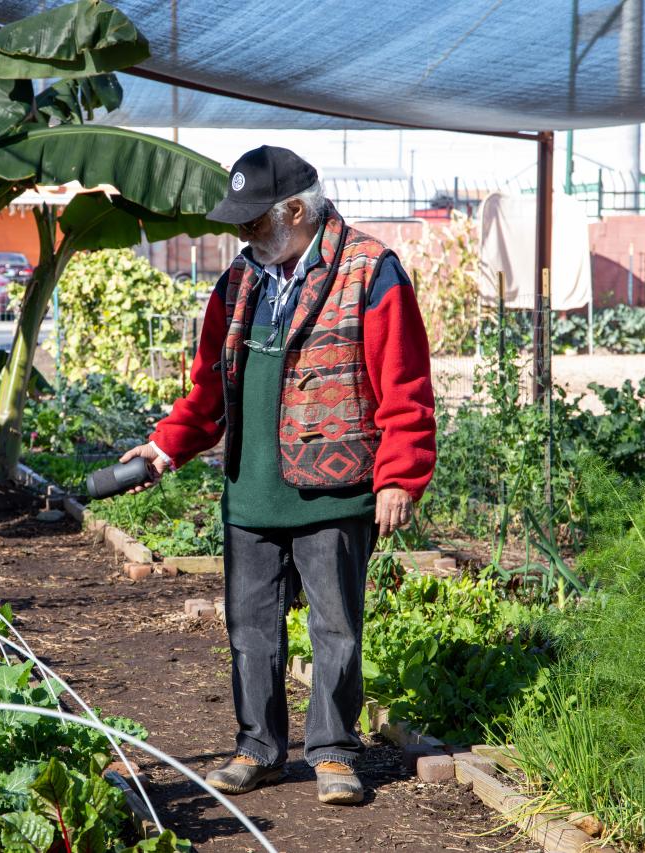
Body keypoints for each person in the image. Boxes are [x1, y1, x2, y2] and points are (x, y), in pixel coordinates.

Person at [120, 146, 436, 805]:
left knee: (335, 626)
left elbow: (405, 386)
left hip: (335, 482)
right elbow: (208, 388)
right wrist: (164, 448)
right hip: (252, 487)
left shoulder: (371, 270)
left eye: (253, 221)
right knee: (251, 626)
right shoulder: (241, 280)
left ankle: (332, 752)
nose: (243, 234)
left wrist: (399, 475)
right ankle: (258, 748)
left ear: (295, 210)